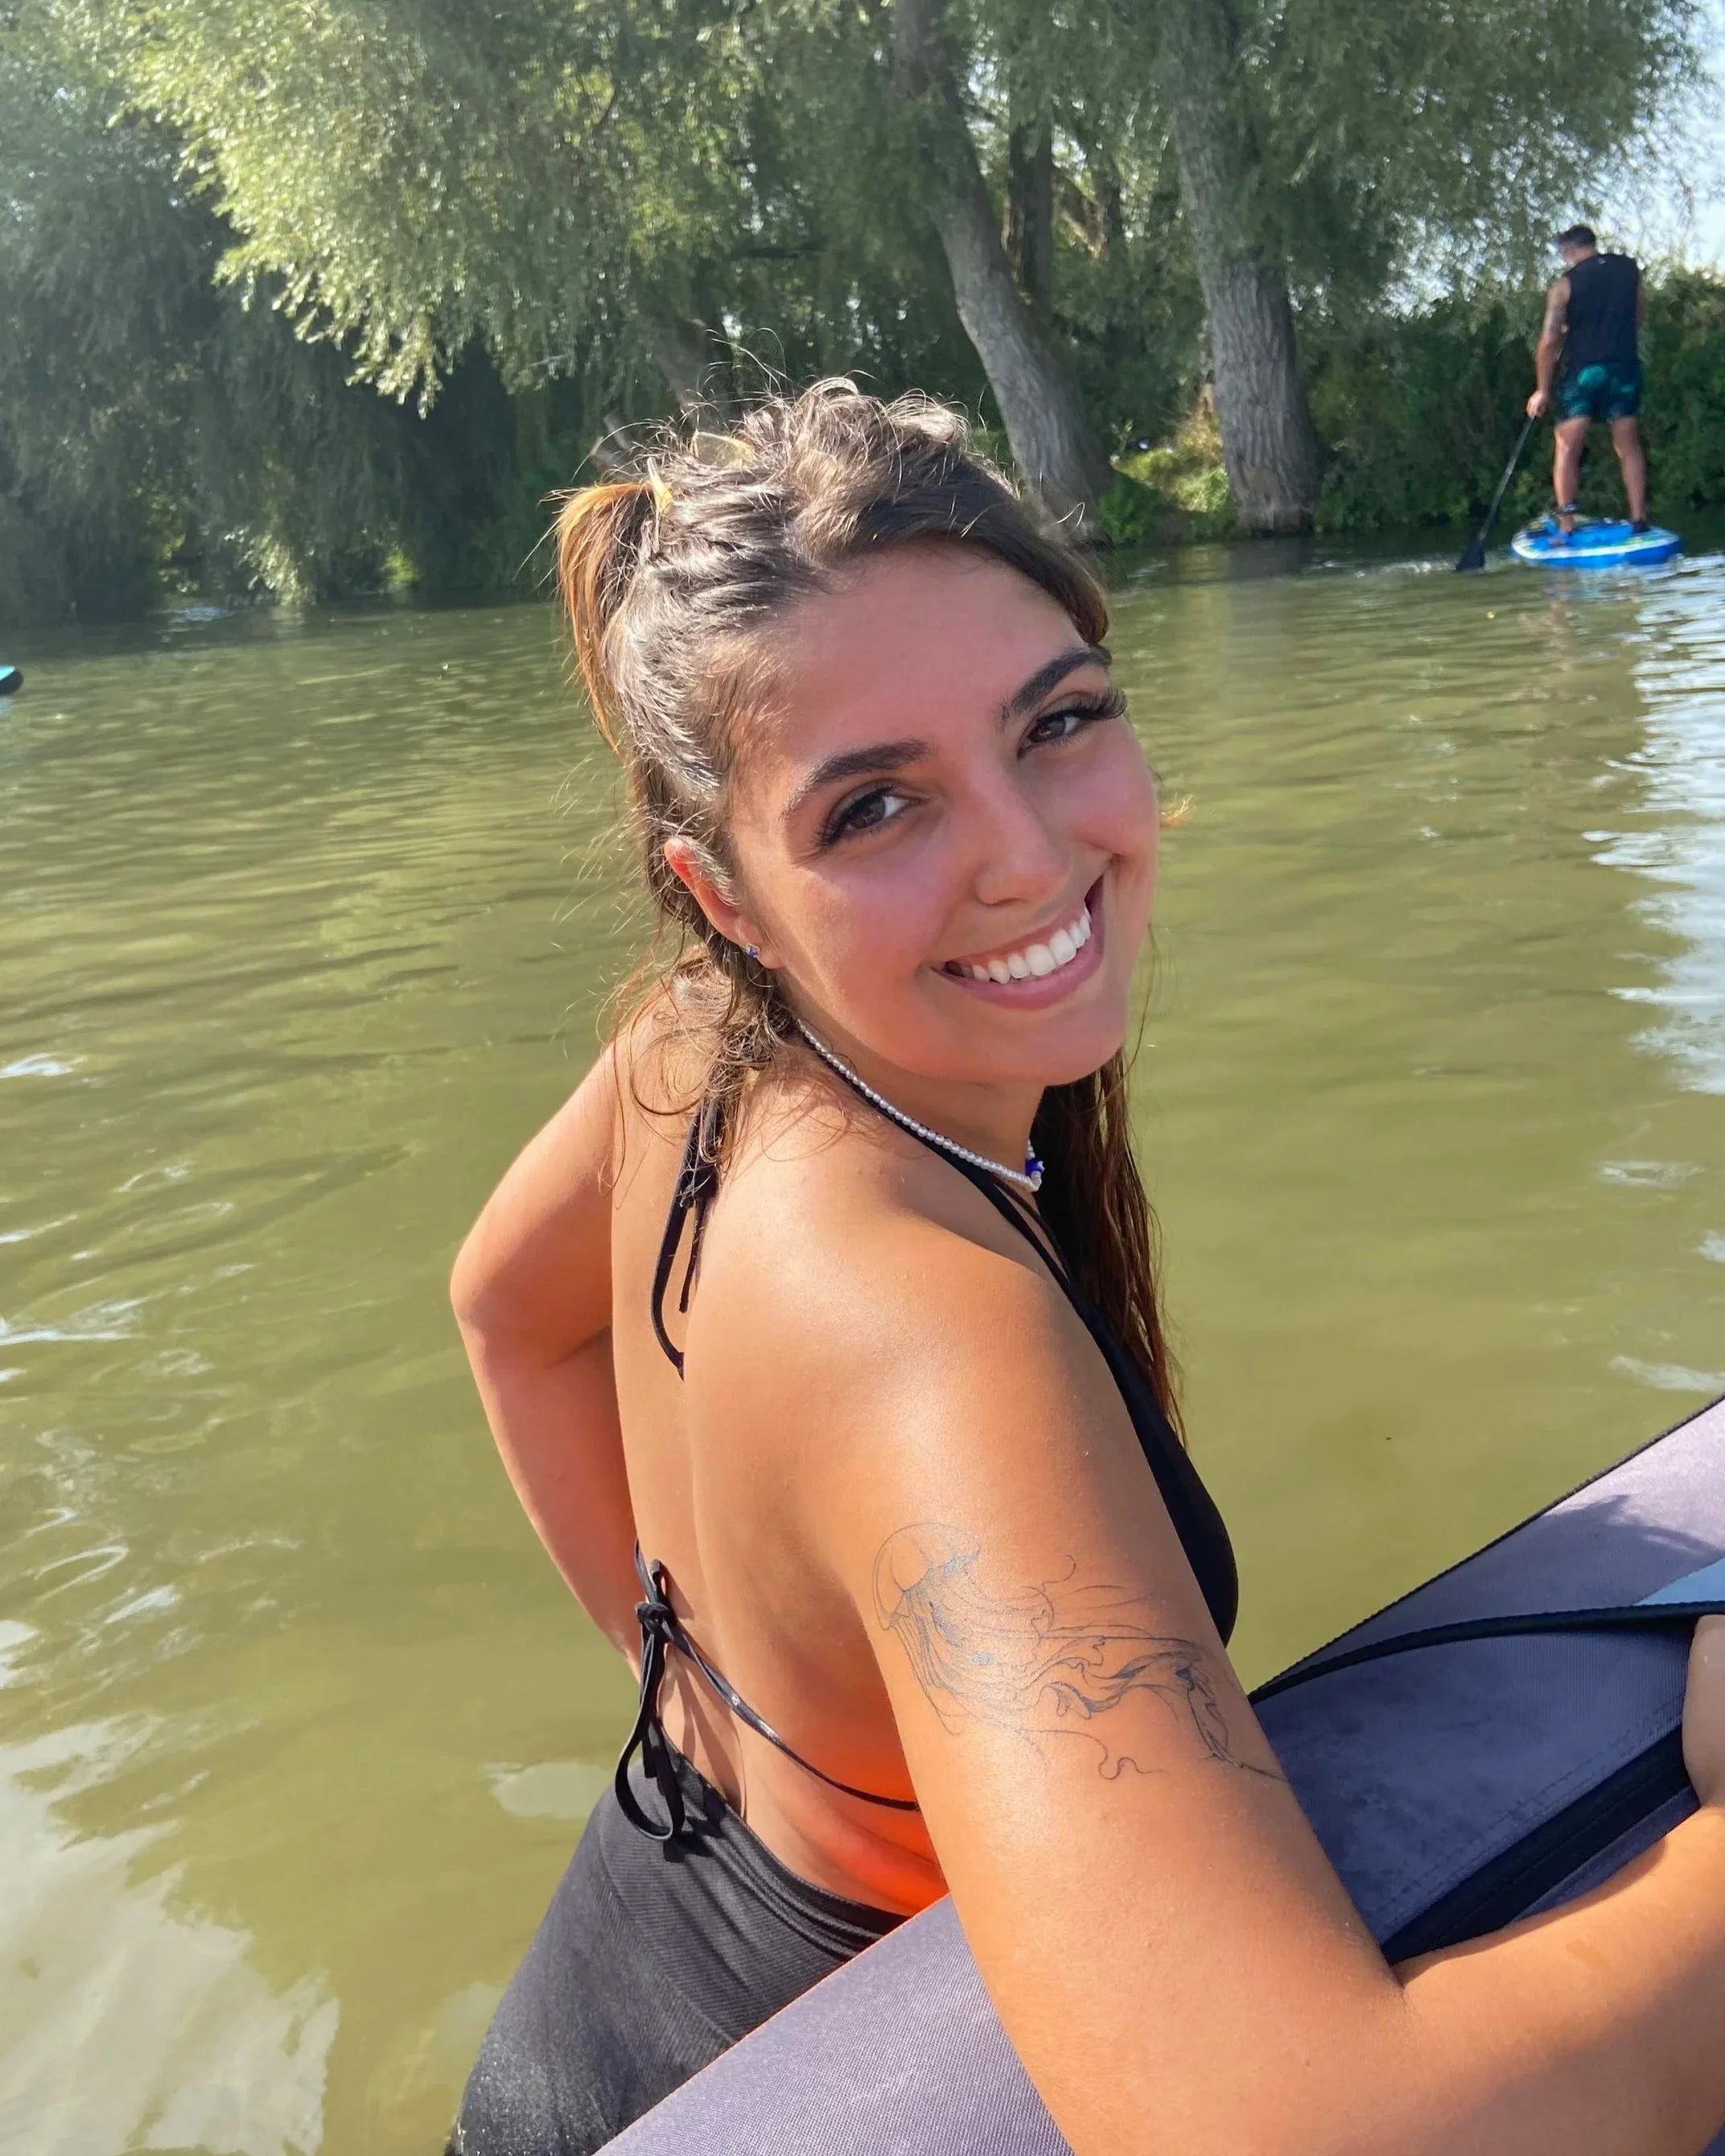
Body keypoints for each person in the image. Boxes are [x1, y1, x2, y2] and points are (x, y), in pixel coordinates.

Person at [447, 381, 1725, 2156]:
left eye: (1056, 721)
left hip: (605, 1979)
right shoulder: (917, 1326)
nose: (1030, 852)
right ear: (721, 891)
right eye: (875, 807)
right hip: (785, 2087)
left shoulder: (691, 1040)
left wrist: (732, 1701)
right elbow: (1334, 2134)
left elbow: (503, 1317)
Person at [1526, 223, 1649, 536]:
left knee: (1567, 446)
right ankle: (1638, 518)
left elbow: (1549, 341)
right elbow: (1638, 316)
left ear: (1569, 251)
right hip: (1624, 368)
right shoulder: (1628, 269)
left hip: (1584, 373)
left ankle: (1566, 524)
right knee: (1628, 443)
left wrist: (1541, 390)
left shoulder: (1564, 285)